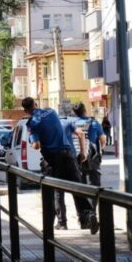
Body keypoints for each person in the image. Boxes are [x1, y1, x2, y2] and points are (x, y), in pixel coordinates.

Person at [21, 97, 98, 234]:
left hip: (52, 158)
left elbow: (36, 145)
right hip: (68, 154)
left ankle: (53, 225)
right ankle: (89, 214)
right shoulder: (51, 112)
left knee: (52, 191)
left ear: (26, 110)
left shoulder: (32, 123)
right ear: (36, 104)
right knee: (77, 187)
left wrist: (34, 143)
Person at [72, 103, 107, 196]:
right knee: (95, 184)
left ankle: (83, 209)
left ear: (75, 113)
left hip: (77, 157)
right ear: (85, 110)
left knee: (81, 184)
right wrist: (101, 150)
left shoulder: (73, 124)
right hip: (92, 158)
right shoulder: (94, 123)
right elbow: (103, 141)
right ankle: (92, 208)